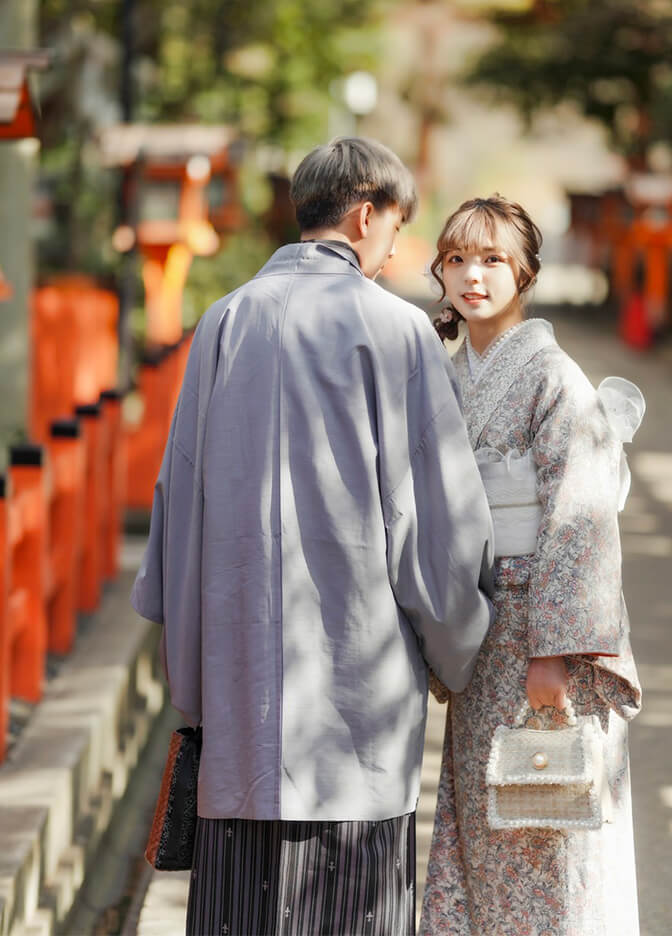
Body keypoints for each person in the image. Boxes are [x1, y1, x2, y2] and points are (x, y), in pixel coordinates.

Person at [131, 137, 495, 936]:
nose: (397, 249)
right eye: (396, 229)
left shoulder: (223, 322)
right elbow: (435, 524)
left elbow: (175, 508)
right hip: (354, 706)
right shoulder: (392, 330)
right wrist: (456, 652)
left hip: (237, 701)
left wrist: (190, 679)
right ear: (366, 216)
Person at [419, 194, 644, 936]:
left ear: (523, 273)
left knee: (550, 823)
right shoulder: (445, 374)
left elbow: (580, 522)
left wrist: (553, 652)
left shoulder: (554, 378)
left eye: (491, 260)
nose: (471, 276)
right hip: (480, 627)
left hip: (543, 633)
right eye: (456, 259)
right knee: (484, 819)